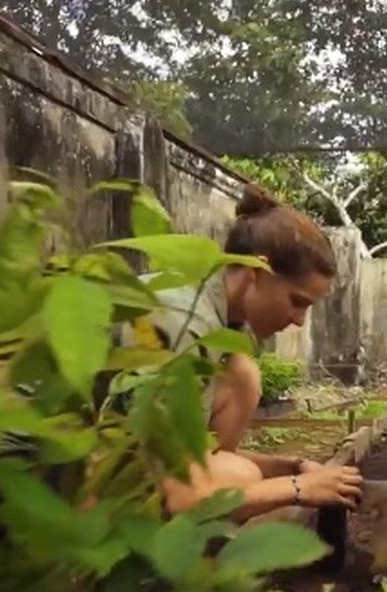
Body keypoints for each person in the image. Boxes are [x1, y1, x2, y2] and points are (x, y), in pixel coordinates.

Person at [124, 186, 363, 522]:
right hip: (60, 478)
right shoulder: (183, 322)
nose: (298, 320)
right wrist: (297, 488)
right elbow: (173, 492)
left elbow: (199, 456)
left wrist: (291, 466)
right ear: (256, 271)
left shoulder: (222, 321)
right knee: (240, 476)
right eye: (298, 302)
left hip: (121, 463)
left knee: (242, 374)